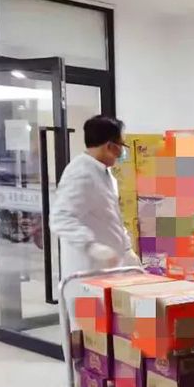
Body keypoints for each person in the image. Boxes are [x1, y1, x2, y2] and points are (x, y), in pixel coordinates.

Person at [50, 115, 140, 327]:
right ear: (110, 146)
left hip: (108, 272)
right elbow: (60, 218)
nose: (122, 152)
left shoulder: (105, 174)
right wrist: (92, 246)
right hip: (88, 274)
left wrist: (127, 250)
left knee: (109, 332)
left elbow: (111, 217)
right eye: (121, 145)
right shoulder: (80, 173)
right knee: (90, 337)